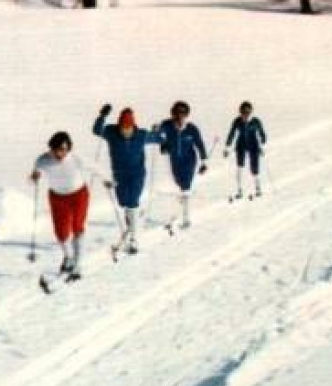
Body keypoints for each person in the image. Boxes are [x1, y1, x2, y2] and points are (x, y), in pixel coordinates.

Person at [91, 105, 160, 253]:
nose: (125, 131)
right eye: (123, 128)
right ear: (119, 125)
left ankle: (134, 238)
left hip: (137, 174)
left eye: (128, 128)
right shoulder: (110, 132)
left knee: (133, 201)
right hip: (119, 174)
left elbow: (158, 139)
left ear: (133, 126)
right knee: (123, 202)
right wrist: (102, 116)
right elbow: (96, 130)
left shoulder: (142, 135)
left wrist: (158, 133)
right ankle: (131, 218)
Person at [30, 130, 90, 278]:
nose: (60, 154)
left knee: (78, 228)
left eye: (63, 150)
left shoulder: (77, 159)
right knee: (61, 233)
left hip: (79, 195)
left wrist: (107, 180)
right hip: (57, 197)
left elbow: (95, 167)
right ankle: (69, 257)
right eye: (56, 150)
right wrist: (34, 177)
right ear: (51, 149)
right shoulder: (42, 160)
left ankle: (78, 265)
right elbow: (34, 176)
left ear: (69, 149)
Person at [156, 101, 208, 228]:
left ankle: (186, 218)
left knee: (185, 186)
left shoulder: (191, 129)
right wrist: (163, 146)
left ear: (186, 115)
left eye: (183, 114)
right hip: (174, 160)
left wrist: (204, 162)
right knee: (179, 183)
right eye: (177, 114)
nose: (180, 117)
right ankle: (184, 199)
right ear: (173, 114)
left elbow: (200, 144)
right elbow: (160, 136)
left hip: (189, 160)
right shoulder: (166, 125)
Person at [224, 100, 268, 199]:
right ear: (240, 112)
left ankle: (258, 188)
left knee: (255, 167)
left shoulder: (255, 121)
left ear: (250, 112)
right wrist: (227, 147)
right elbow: (232, 133)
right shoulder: (237, 121)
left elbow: (262, 134)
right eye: (243, 113)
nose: (245, 116)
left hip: (254, 145)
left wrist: (262, 146)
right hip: (241, 145)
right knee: (240, 167)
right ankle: (239, 190)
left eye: (247, 113)